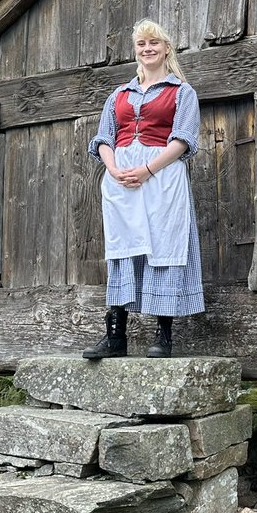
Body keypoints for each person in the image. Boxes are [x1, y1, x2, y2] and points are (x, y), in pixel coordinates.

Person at [83, 18, 203, 359]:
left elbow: (183, 139)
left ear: (166, 48)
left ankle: (162, 336)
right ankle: (116, 336)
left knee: (163, 247)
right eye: (141, 44)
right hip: (122, 180)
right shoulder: (118, 95)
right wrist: (114, 168)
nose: (147, 48)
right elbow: (103, 138)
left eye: (154, 43)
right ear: (136, 51)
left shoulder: (181, 92)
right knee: (124, 249)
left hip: (162, 178)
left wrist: (148, 169)